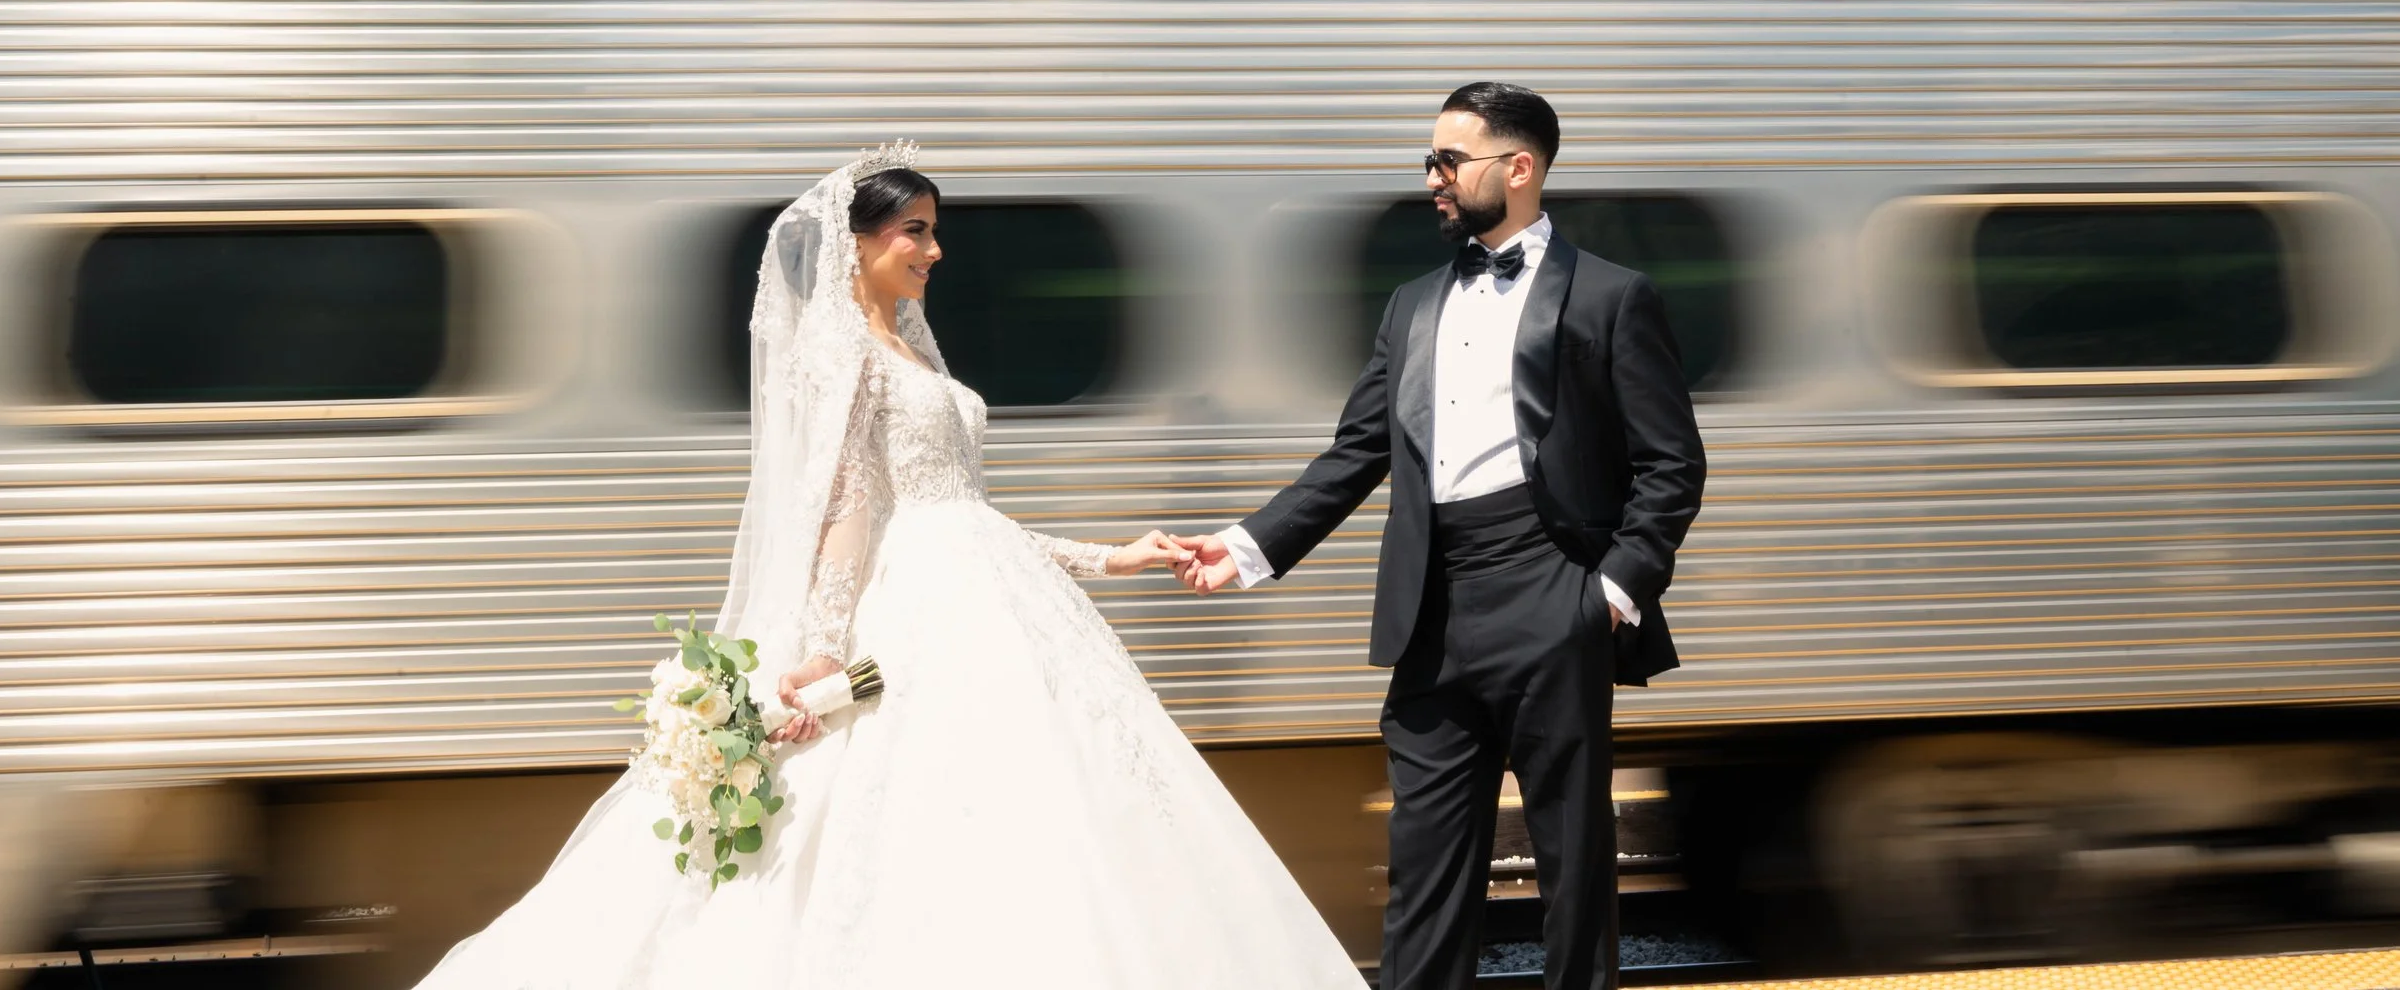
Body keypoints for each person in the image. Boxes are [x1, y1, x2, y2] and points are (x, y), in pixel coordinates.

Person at [408, 144, 1367, 990]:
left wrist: (1114, 554)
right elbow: (844, 511)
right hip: (921, 616)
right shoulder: (851, 361)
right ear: (859, 243)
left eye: (934, 230)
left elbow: (960, 510)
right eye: (916, 230)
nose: (935, 249)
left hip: (978, 585)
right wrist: (826, 650)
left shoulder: (901, 352)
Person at [1176, 83, 1707, 990]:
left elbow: (1672, 465)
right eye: (1431, 160)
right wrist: (1249, 543)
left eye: (1448, 160)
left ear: (1520, 167)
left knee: (1573, 860)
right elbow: (1356, 452)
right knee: (1424, 865)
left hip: (1554, 587)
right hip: (1435, 600)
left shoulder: (1613, 297)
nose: (1432, 177)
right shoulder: (1413, 303)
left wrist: (1609, 592)